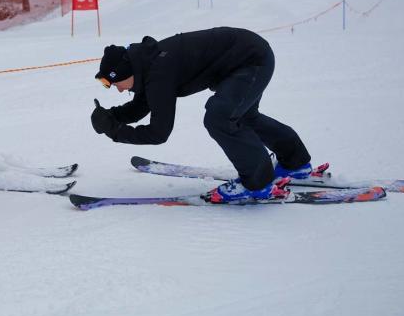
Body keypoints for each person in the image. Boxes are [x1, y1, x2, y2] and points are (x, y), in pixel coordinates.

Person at [90, 27, 313, 203]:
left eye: (115, 83)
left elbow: (159, 132)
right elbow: (142, 105)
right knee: (243, 115)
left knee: (219, 117)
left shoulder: (158, 72)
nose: (118, 90)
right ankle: (295, 162)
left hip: (252, 61)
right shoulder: (148, 64)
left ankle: (257, 184)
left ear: (126, 72)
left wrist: (115, 131)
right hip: (250, 55)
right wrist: (112, 117)